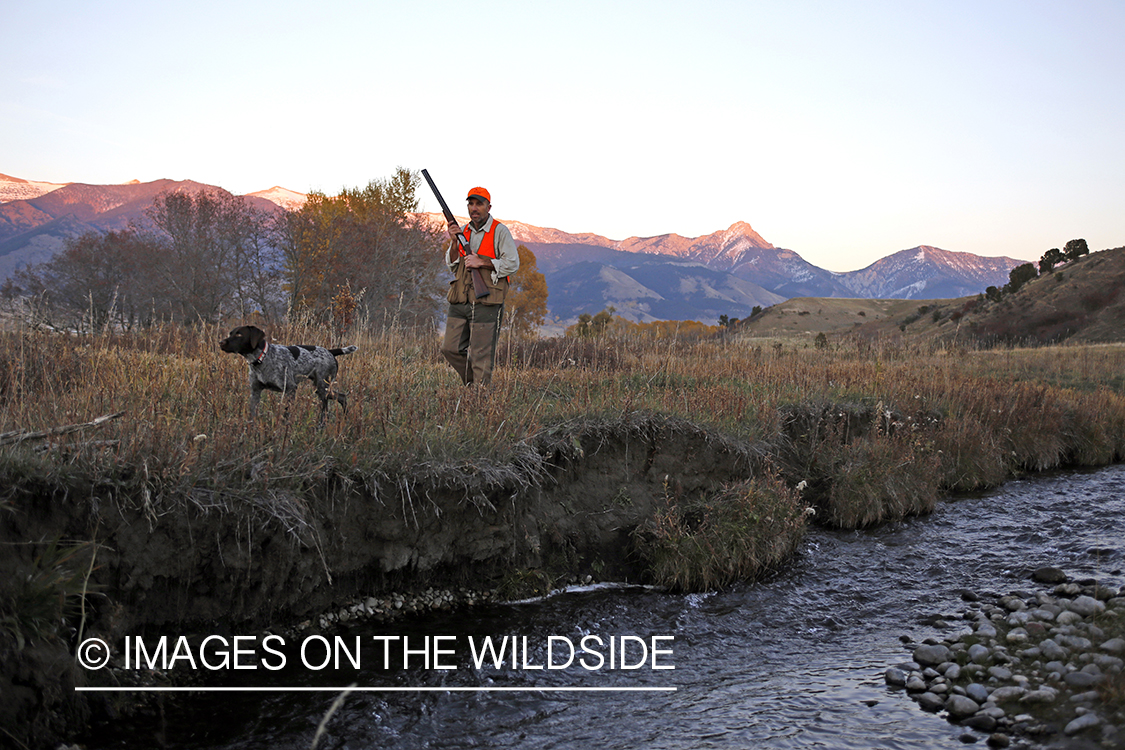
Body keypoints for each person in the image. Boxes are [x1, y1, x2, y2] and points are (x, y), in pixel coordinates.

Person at [440, 186, 519, 386]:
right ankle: (472, 384)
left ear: (488, 207)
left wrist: (482, 262)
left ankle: (480, 399)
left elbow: (512, 264)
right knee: (450, 348)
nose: (474, 208)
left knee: (481, 356)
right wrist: (453, 242)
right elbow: (451, 264)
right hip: (460, 298)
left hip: (487, 300)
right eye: (471, 204)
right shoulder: (462, 231)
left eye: (479, 204)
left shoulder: (499, 231)